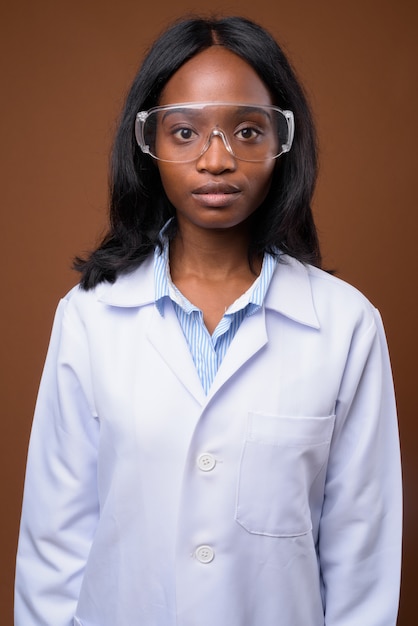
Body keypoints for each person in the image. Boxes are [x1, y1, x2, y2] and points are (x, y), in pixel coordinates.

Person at [15, 15, 402, 626]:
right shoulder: (90, 317)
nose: (216, 159)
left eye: (247, 130)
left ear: (282, 143)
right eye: (185, 132)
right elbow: (54, 541)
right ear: (149, 145)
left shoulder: (346, 325)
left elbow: (361, 556)